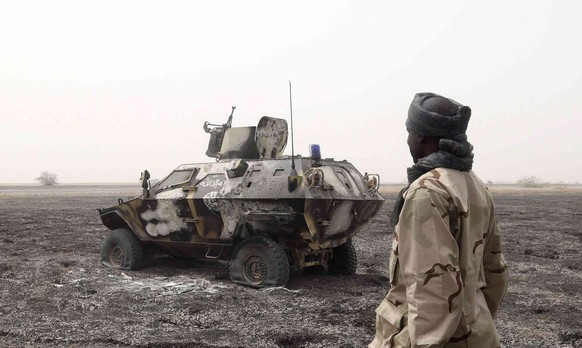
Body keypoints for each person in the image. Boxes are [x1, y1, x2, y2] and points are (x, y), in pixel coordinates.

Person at [369, 92, 508, 348]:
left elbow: (431, 284)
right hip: (477, 332)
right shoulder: (475, 185)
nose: (408, 140)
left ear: (420, 136)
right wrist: (473, 319)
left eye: (409, 132)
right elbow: (495, 271)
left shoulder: (427, 190)